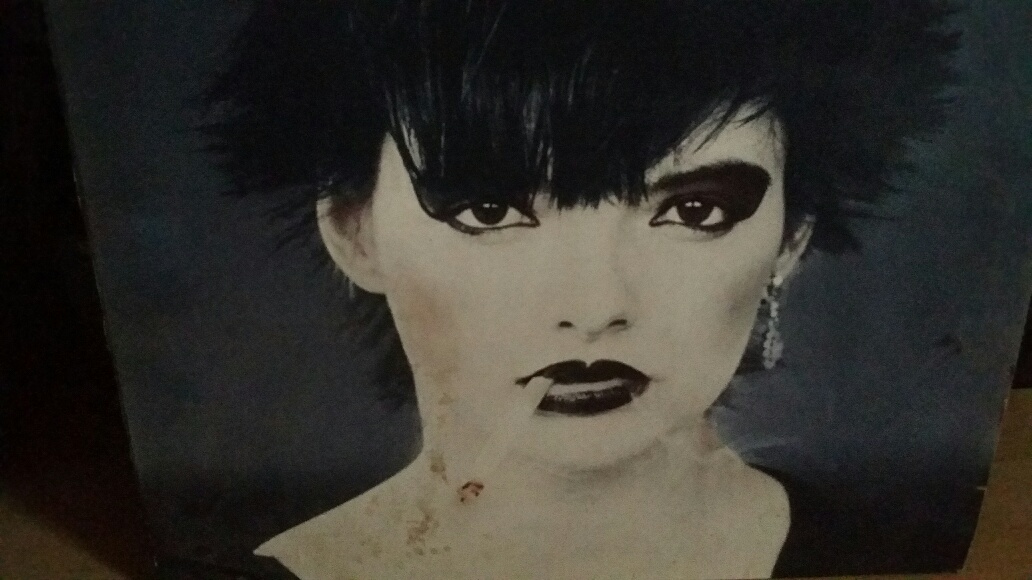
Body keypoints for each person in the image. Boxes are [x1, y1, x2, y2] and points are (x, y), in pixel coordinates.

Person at [204, 1, 958, 577]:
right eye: (489, 209)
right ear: (355, 232)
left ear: (790, 240)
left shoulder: (890, 560)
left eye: (694, 211)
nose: (595, 307)